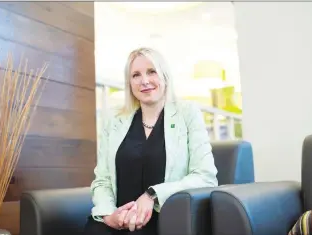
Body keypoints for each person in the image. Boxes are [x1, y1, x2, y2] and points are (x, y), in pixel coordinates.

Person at [83, 47, 218, 235]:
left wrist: (152, 195)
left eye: (151, 71)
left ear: (164, 75)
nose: (144, 81)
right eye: (136, 75)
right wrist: (109, 215)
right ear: (129, 83)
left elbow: (206, 176)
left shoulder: (187, 114)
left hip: (164, 219)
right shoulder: (114, 121)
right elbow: (102, 180)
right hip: (117, 220)